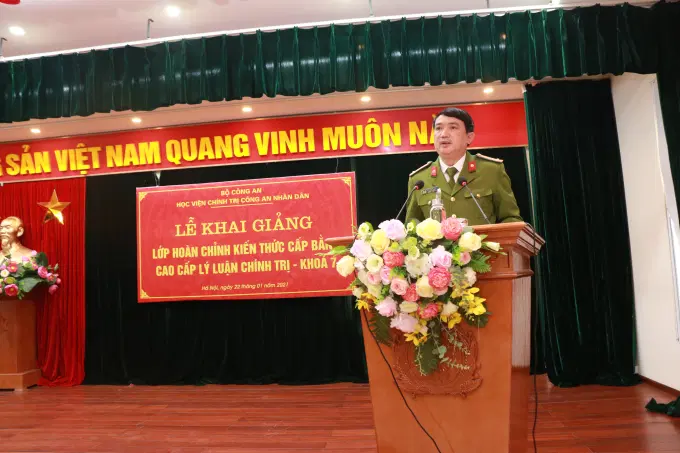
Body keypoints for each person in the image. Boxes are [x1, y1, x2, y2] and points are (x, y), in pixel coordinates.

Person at [405, 107, 522, 226]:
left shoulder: (491, 170)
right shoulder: (419, 179)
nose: (443, 134)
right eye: (438, 128)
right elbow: (411, 225)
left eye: (453, 127)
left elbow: (511, 218)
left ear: (469, 137)